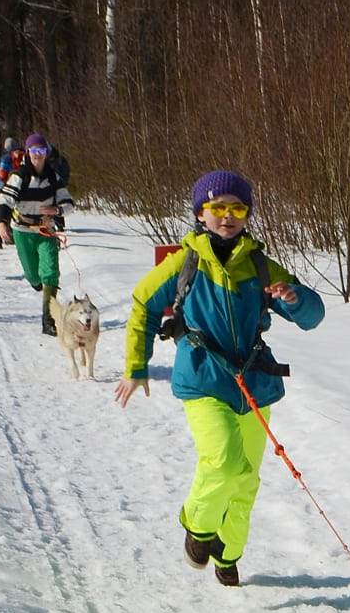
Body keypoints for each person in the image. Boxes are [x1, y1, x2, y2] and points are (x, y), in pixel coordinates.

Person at [116, 170, 324, 583]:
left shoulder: (260, 265)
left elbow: (312, 316)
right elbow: (143, 304)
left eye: (237, 208)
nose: (228, 216)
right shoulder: (185, 262)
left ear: (247, 214)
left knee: (246, 481)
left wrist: (294, 298)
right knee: (225, 463)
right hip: (203, 379)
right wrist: (136, 367)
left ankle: (228, 554)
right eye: (218, 207)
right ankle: (198, 527)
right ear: (201, 213)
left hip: (254, 383)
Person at [1, 134, 73, 334]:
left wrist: (56, 210)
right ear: (28, 152)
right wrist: (1, 223)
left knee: (50, 273)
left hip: (45, 229)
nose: (38, 155)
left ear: (46, 153)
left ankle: (48, 321)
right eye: (34, 151)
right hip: (22, 230)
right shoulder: (19, 176)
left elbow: (69, 204)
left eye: (41, 151)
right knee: (33, 275)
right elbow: (5, 200)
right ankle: (37, 283)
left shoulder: (54, 178)